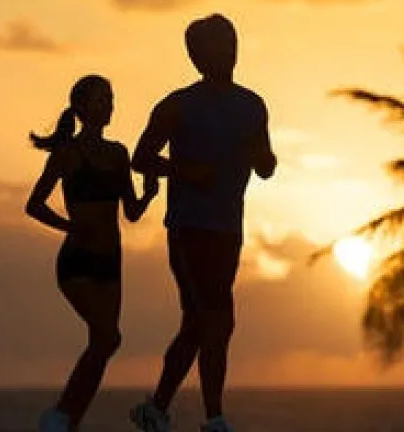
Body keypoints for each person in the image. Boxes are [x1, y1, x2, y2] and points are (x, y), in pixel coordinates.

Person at [128, 14, 277, 432]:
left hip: (229, 229)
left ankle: (155, 410)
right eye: (214, 44)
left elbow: (265, 163)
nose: (225, 51)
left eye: (230, 41)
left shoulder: (252, 105)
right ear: (195, 54)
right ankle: (214, 419)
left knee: (197, 325)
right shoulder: (178, 105)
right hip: (189, 227)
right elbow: (140, 158)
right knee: (219, 318)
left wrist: (264, 161)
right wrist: (183, 171)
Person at [25, 74, 159, 432]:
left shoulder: (118, 154)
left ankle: (69, 421)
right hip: (78, 261)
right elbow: (34, 205)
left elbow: (130, 212)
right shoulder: (67, 154)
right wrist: (69, 227)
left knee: (102, 343)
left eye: (111, 98)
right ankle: (60, 414)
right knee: (108, 337)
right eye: (101, 99)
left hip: (110, 263)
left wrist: (147, 194)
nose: (109, 105)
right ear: (82, 107)